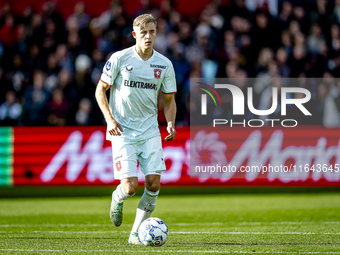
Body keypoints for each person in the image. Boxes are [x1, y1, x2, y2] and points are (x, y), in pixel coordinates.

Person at [95, 14, 177, 245]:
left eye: (152, 32)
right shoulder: (120, 58)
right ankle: (117, 198)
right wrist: (110, 120)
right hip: (123, 131)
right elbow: (100, 91)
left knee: (153, 184)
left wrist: (170, 122)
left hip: (150, 130)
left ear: (156, 33)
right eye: (143, 33)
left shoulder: (164, 64)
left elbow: (169, 100)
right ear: (135, 35)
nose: (148, 36)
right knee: (130, 187)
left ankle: (134, 235)